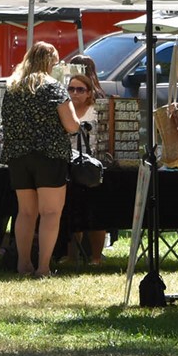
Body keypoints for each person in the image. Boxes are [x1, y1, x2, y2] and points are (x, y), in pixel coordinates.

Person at [3, 42, 81, 278]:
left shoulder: (13, 87)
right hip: (49, 156)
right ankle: (43, 268)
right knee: (50, 213)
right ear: (50, 63)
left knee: (25, 213)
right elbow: (71, 125)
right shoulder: (53, 87)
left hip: (18, 156)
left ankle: (23, 264)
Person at [65, 72, 107, 265]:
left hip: (92, 166)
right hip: (70, 166)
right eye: (71, 89)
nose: (75, 93)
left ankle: (96, 257)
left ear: (89, 93)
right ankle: (72, 256)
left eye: (80, 89)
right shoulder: (66, 110)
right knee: (72, 212)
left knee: (95, 213)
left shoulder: (96, 112)